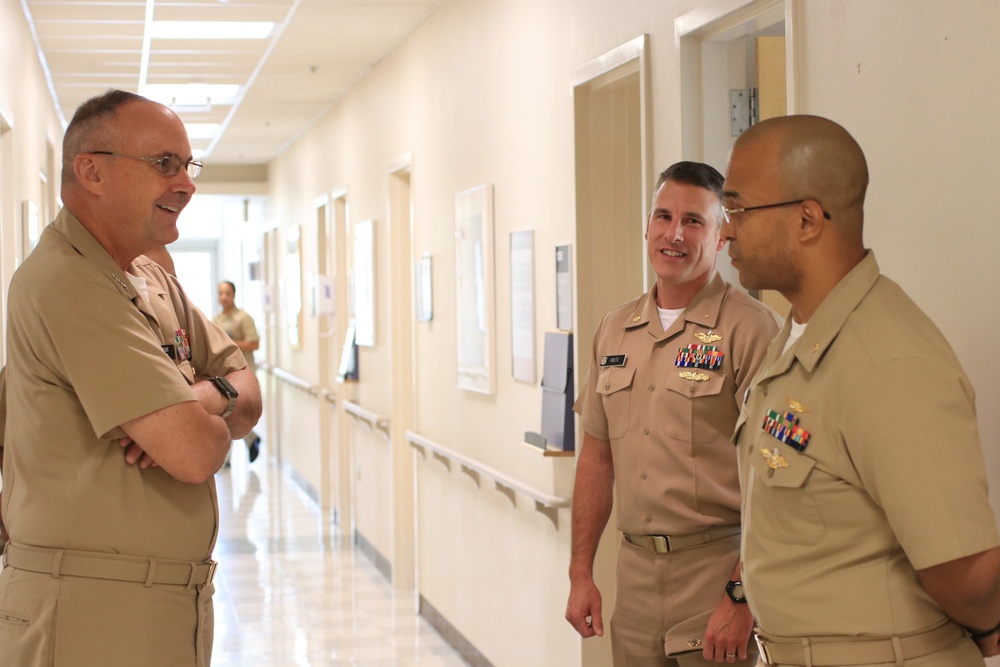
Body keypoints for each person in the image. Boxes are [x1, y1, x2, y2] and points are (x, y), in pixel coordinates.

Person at [721, 114, 1000, 666]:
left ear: (807, 219)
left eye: (737, 208)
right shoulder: (799, 336)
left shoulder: (888, 360)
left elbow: (965, 572)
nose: (726, 229)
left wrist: (990, 625)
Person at [0, 89, 262, 666]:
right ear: (90, 171)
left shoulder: (150, 274)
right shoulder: (68, 283)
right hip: (88, 610)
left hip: (162, 602)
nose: (187, 183)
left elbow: (246, 387)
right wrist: (210, 414)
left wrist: (205, 395)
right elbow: (194, 453)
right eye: (164, 163)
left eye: (188, 165)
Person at [566, 161, 779, 666]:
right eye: (664, 217)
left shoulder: (751, 329)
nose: (674, 234)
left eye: (694, 221)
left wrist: (741, 595)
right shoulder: (614, 329)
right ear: (647, 227)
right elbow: (596, 458)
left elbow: (773, 477)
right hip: (635, 576)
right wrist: (581, 572)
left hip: (715, 577)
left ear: (722, 236)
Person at [214, 280, 262, 462]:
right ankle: (247, 444)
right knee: (228, 413)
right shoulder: (216, 320)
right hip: (225, 372)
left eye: (227, 293)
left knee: (237, 412)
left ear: (233, 295)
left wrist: (230, 342)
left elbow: (254, 343)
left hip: (244, 371)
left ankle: (246, 443)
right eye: (220, 293)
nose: (223, 297)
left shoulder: (244, 318)